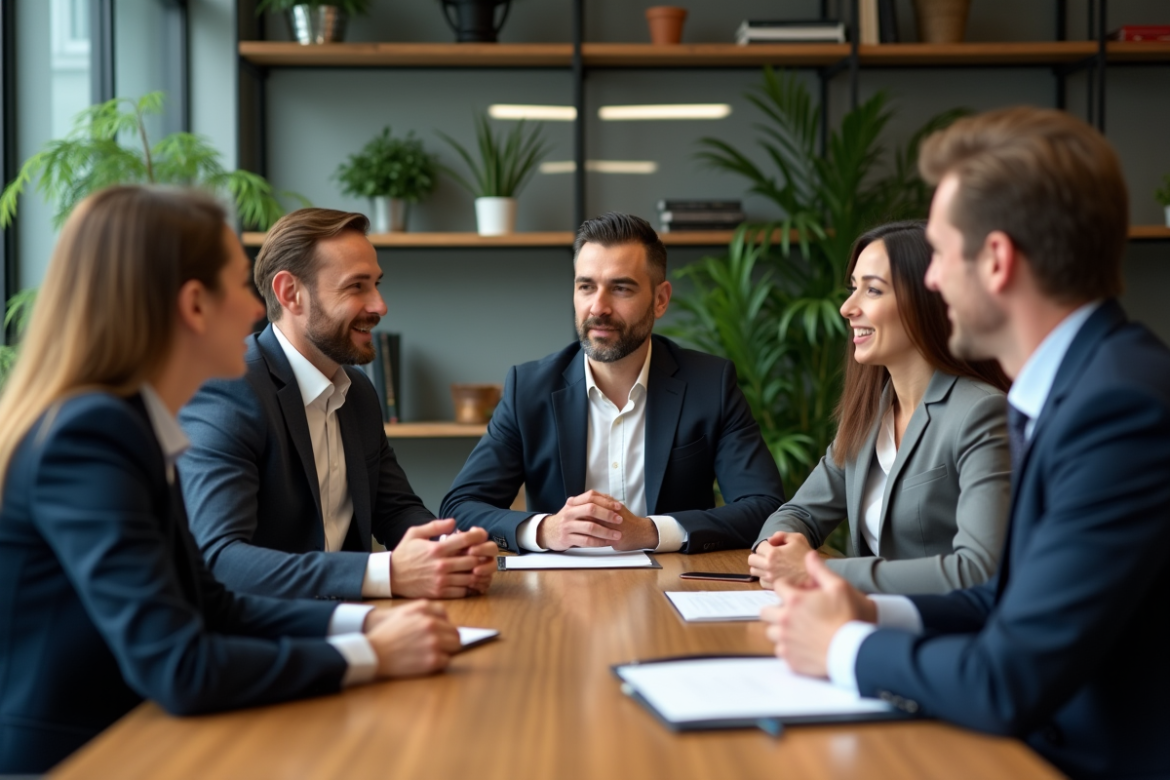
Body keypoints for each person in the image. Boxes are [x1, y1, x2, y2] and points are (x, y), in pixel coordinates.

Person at [761, 107, 1170, 780]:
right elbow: (1003, 599)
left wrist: (843, 647)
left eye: (943, 254)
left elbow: (1006, 678)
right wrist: (867, 608)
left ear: (998, 261)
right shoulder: (1068, 387)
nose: (931, 280)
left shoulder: (1118, 409)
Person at [0, 187, 462, 774]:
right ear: (194, 305)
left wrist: (367, 619)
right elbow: (180, 666)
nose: (253, 310)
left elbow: (212, 604)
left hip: (143, 735)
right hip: (81, 755)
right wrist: (369, 653)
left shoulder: (131, 423)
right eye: (237, 285)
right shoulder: (91, 437)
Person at [178, 208, 497, 600]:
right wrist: (387, 573)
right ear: (290, 293)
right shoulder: (229, 388)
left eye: (376, 284)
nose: (380, 305)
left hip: (351, 624)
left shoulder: (357, 392)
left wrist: (452, 549)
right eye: (356, 287)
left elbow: (395, 510)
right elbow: (221, 559)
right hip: (267, 640)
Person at [440, 212, 785, 554]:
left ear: (661, 299)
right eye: (586, 287)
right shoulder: (529, 389)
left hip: (673, 587)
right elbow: (460, 508)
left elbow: (764, 505)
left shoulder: (710, 384)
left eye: (621, 288)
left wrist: (652, 531)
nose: (598, 307)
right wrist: (547, 529)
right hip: (557, 594)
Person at [748, 221, 1011, 594]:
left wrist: (818, 572)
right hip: (871, 623)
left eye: (872, 290)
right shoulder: (870, 415)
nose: (846, 308)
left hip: (950, 636)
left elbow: (979, 570)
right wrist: (773, 552)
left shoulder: (981, 413)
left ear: (927, 300)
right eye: (853, 288)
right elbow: (800, 513)